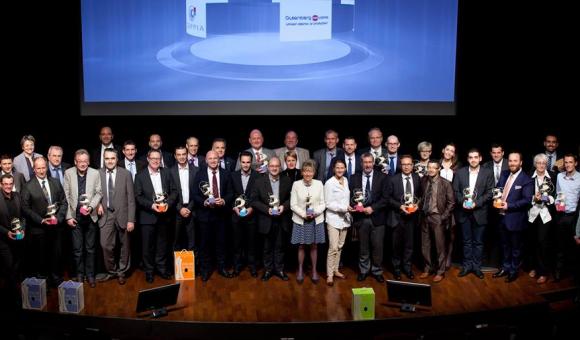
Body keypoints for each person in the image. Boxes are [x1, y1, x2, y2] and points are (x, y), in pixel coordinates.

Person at [21, 157, 67, 286]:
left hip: (56, 227)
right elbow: (25, 208)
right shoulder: (28, 186)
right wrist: (41, 220)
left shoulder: (56, 182)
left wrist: (58, 218)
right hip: (39, 229)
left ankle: (56, 278)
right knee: (41, 258)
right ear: (34, 169)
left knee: (56, 255)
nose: (41, 171)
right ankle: (43, 283)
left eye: (43, 167)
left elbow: (64, 202)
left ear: (46, 167)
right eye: (38, 168)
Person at [134, 149, 177, 283]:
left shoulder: (167, 172)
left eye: (158, 158)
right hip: (147, 217)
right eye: (153, 158)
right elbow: (138, 196)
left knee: (162, 245)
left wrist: (168, 204)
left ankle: (162, 269)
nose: (155, 161)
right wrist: (151, 205)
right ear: (148, 159)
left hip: (164, 216)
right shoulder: (140, 176)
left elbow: (174, 191)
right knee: (147, 247)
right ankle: (149, 272)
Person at [192, 150, 234, 281]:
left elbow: (231, 192)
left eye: (215, 158)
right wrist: (203, 202)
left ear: (219, 159)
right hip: (205, 215)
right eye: (210, 158)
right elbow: (195, 194)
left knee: (221, 243)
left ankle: (222, 268)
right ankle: (205, 270)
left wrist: (224, 200)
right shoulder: (199, 174)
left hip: (221, 215)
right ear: (206, 160)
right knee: (205, 244)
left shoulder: (226, 174)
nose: (213, 160)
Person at [492, 152, 534, 283]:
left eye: (515, 161)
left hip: (516, 220)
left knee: (516, 248)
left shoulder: (526, 179)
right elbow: (498, 189)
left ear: (521, 162)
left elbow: (527, 200)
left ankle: (513, 271)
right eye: (510, 161)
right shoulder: (504, 174)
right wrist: (496, 198)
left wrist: (508, 205)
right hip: (501, 218)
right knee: (504, 246)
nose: (512, 163)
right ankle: (505, 267)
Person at [64, 149, 103, 288]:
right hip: (75, 217)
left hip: (90, 216)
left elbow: (99, 193)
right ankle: (80, 274)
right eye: (80, 161)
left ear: (88, 161)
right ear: (75, 162)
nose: (83, 164)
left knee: (91, 249)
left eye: (85, 161)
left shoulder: (95, 173)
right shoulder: (68, 173)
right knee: (77, 249)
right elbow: (66, 196)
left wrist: (92, 207)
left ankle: (91, 275)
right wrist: (68, 216)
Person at [453, 149, 494, 279]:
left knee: (478, 242)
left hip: (480, 213)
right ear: (467, 159)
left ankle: (476, 267)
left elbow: (490, 192)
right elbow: (455, 191)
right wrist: (462, 201)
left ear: (480, 158)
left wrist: (477, 203)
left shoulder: (487, 173)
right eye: (471, 157)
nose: (473, 160)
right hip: (464, 212)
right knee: (466, 242)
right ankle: (466, 266)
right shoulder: (460, 173)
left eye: (476, 157)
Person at [96, 148, 135, 285]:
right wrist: (97, 205)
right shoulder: (98, 173)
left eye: (112, 158)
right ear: (104, 159)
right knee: (105, 245)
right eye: (107, 158)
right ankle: (112, 271)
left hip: (123, 214)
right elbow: (94, 193)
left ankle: (122, 271)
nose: (110, 161)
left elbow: (131, 198)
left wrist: (131, 219)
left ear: (117, 159)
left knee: (125, 245)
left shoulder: (126, 174)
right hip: (106, 214)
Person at [251, 156, 292, 281]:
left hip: (281, 219)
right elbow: (254, 200)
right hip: (266, 219)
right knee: (267, 247)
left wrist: (283, 207)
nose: (274, 168)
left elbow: (292, 199)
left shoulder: (286, 180)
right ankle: (268, 270)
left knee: (280, 246)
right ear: (268, 167)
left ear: (280, 167)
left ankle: (279, 269)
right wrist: (266, 209)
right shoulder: (259, 181)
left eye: (276, 166)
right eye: (272, 166)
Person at [350, 152, 388, 283]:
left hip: (378, 218)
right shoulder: (354, 178)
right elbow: (350, 197)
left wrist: (373, 208)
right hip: (361, 218)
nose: (367, 164)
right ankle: (363, 270)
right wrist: (357, 206)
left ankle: (377, 271)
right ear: (361, 164)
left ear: (373, 163)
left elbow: (386, 198)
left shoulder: (382, 177)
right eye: (365, 162)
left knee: (378, 247)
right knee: (363, 247)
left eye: (369, 162)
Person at [386, 154, 422, 280]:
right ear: (400, 166)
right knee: (396, 245)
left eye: (409, 164)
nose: (406, 167)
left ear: (412, 166)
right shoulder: (393, 179)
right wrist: (399, 206)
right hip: (397, 217)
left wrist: (418, 205)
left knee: (409, 245)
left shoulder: (417, 178)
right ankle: (396, 269)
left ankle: (407, 268)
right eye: (404, 164)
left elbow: (421, 196)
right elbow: (388, 198)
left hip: (412, 218)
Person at [290, 160, 326, 283]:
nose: (307, 173)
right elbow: (293, 204)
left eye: (310, 171)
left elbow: (323, 203)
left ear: (314, 172)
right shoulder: (296, 184)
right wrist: (304, 215)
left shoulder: (319, 184)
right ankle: (300, 269)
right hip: (301, 220)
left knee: (314, 246)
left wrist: (314, 213)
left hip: (316, 220)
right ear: (302, 172)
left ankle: (314, 270)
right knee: (301, 246)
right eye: (305, 171)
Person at [419, 160, 455, 282]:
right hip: (424, 216)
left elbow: (451, 203)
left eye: (434, 168)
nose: (430, 170)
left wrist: (442, 217)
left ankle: (440, 271)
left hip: (437, 217)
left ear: (438, 169)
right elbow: (422, 197)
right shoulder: (424, 181)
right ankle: (427, 268)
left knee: (440, 246)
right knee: (425, 245)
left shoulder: (445, 184)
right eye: (429, 167)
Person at [526, 153, 557, 284]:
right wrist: (534, 198)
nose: (541, 165)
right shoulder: (529, 177)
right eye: (538, 163)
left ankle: (543, 272)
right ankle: (534, 267)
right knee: (532, 242)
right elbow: (526, 195)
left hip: (545, 215)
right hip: (532, 214)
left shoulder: (552, 177)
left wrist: (543, 198)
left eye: (543, 163)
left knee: (542, 242)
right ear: (535, 164)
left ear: (546, 165)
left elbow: (555, 196)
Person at [230, 151, 259, 277]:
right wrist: (234, 207)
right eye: (243, 162)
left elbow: (258, 196)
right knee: (236, 243)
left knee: (252, 243)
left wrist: (251, 208)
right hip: (236, 215)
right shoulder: (233, 176)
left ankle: (252, 267)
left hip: (251, 216)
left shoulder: (257, 176)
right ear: (240, 162)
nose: (246, 165)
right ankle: (237, 267)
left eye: (248, 162)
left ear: (251, 162)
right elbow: (230, 194)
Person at [553, 154, 580, 281]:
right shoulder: (559, 176)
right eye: (566, 162)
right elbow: (558, 194)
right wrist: (557, 203)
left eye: (571, 162)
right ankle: (558, 271)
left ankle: (574, 274)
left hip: (574, 216)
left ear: (576, 163)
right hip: (561, 215)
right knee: (559, 245)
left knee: (573, 246)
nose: (568, 165)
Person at [324, 159, 351, 286]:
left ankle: (336, 270)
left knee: (340, 246)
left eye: (342, 168)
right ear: (334, 169)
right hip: (333, 219)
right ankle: (329, 275)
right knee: (333, 248)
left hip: (345, 219)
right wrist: (343, 208)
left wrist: (350, 207)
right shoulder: (329, 183)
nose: (340, 170)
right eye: (338, 168)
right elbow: (328, 203)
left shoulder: (345, 180)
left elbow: (346, 198)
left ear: (345, 169)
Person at [0, 174, 25, 309]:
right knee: (9, 268)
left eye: (10, 183)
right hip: (3, 241)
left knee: (17, 266)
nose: (8, 186)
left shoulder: (17, 196)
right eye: (5, 184)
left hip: (18, 238)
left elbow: (23, 216)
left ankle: (12, 294)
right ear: (1, 184)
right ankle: (14, 300)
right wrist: (6, 232)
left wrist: (23, 229)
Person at [169, 146, 198, 252]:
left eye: (183, 154)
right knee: (176, 240)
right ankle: (177, 267)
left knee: (193, 241)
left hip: (192, 209)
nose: (181, 157)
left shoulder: (196, 170)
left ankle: (193, 267)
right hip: (176, 210)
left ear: (187, 155)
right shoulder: (170, 171)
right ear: (175, 156)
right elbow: (169, 193)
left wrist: (189, 207)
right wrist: (180, 208)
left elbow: (197, 192)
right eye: (179, 155)